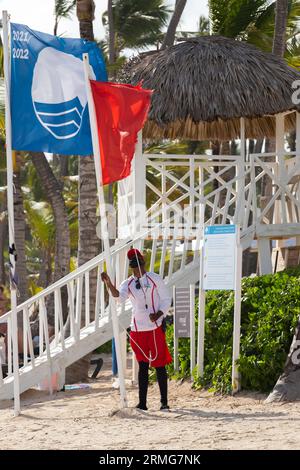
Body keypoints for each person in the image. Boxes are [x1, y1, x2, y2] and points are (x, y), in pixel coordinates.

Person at [101, 248, 172, 411]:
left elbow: (166, 299)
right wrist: (109, 284)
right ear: (132, 267)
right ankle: (142, 403)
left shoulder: (155, 279)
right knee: (143, 366)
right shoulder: (128, 283)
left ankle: (164, 402)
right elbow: (119, 297)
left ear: (143, 264)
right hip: (137, 330)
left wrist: (159, 314)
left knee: (160, 365)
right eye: (135, 267)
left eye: (140, 266)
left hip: (155, 327)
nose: (138, 270)